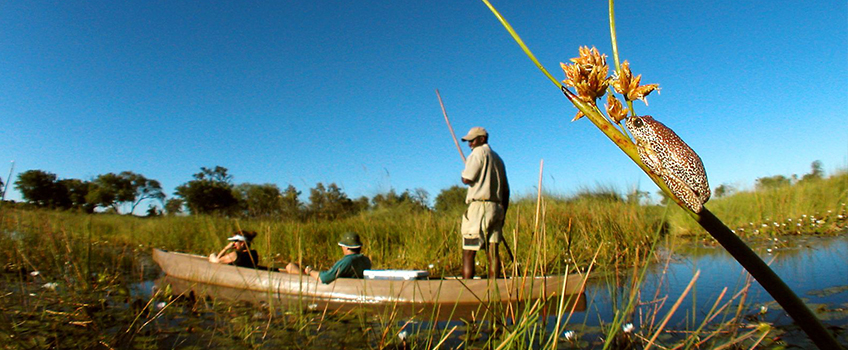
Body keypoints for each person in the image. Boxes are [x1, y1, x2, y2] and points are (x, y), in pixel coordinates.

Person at [459, 126, 509, 279]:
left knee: (469, 251)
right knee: (492, 250)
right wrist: (503, 213)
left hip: (479, 208)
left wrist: (463, 173)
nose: (470, 145)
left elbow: (467, 178)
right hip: (496, 207)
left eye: (472, 141)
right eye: (468, 141)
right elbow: (506, 191)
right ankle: (494, 287)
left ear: (482, 139)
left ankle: (467, 290)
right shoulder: (497, 158)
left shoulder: (477, 154)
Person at [285, 231, 372, 284]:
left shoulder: (348, 260)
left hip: (327, 281)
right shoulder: (365, 259)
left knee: (290, 266)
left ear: (346, 247)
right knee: (293, 266)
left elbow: (324, 278)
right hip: (349, 281)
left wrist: (310, 271)